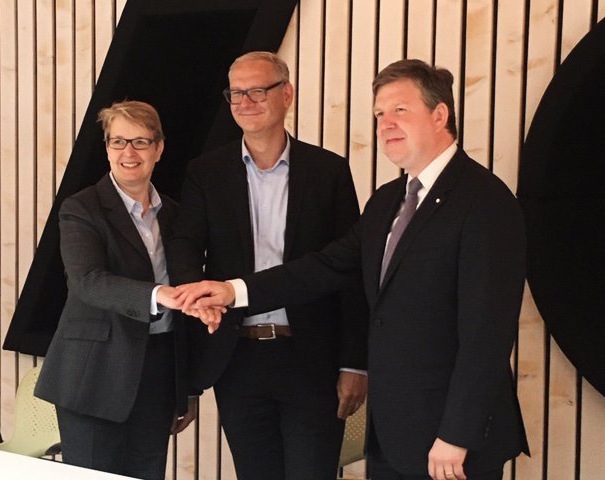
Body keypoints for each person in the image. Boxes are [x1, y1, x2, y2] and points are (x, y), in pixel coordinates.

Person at [178, 59, 530, 480]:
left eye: (400, 110)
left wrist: (457, 434)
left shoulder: (485, 201)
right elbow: (325, 267)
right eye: (379, 113)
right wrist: (234, 291)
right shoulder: (387, 201)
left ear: (440, 115)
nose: (386, 124)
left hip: (450, 441)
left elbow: (487, 335)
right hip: (391, 433)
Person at [166, 51, 368, 480]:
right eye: (236, 93)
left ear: (287, 94)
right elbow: (185, 245)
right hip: (236, 356)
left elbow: (350, 269)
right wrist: (197, 297)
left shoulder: (329, 171)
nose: (245, 102)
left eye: (257, 90)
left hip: (312, 357)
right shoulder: (206, 172)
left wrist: (355, 363)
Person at [35, 100, 195, 480]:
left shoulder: (176, 214)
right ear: (107, 148)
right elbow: (87, 281)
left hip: (158, 370)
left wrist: (185, 386)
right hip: (95, 372)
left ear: (159, 148)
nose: (128, 152)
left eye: (140, 141)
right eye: (118, 141)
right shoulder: (81, 208)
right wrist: (158, 294)